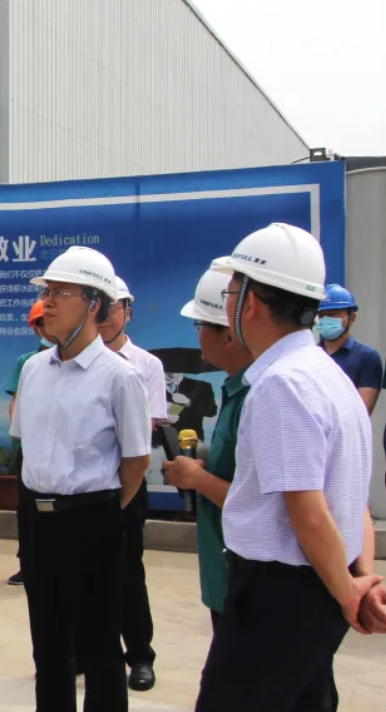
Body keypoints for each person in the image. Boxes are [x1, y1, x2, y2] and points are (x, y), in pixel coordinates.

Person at [196, 223, 379, 712]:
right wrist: (358, 580)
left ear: (250, 304)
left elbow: (309, 513)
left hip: (280, 595)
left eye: (230, 293)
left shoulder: (282, 384)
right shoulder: (328, 376)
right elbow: (351, 499)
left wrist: (349, 595)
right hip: (316, 586)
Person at [12, 246, 151, 712]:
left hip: (93, 520)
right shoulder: (33, 370)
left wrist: (101, 510)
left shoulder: (120, 377)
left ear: (94, 304)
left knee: (99, 645)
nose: (47, 302)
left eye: (60, 293)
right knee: (48, 644)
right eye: (46, 292)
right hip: (37, 518)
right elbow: (26, 443)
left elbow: (136, 461)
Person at [161, 266, 252, 632]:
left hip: (248, 586)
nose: (197, 336)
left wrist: (197, 479)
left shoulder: (262, 394)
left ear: (228, 333)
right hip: (227, 579)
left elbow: (270, 506)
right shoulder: (236, 387)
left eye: (200, 325)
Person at [99, 275, 167, 692]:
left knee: (127, 572)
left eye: (115, 308)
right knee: (81, 574)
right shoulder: (68, 359)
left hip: (127, 478)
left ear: (128, 311)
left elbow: (148, 425)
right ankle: (84, 652)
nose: (107, 316)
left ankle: (139, 655)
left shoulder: (145, 365)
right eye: (100, 307)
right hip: (83, 484)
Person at [3, 300, 52, 587]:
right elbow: (16, 400)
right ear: (35, 329)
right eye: (41, 323)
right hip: (30, 449)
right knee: (28, 508)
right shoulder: (27, 362)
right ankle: (28, 563)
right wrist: (18, 430)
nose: (47, 327)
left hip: (59, 450)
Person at [316, 282, 382, 415]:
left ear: (352, 317)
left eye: (333, 314)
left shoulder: (367, 358)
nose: (326, 319)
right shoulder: (310, 356)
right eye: (321, 315)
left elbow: (361, 412)